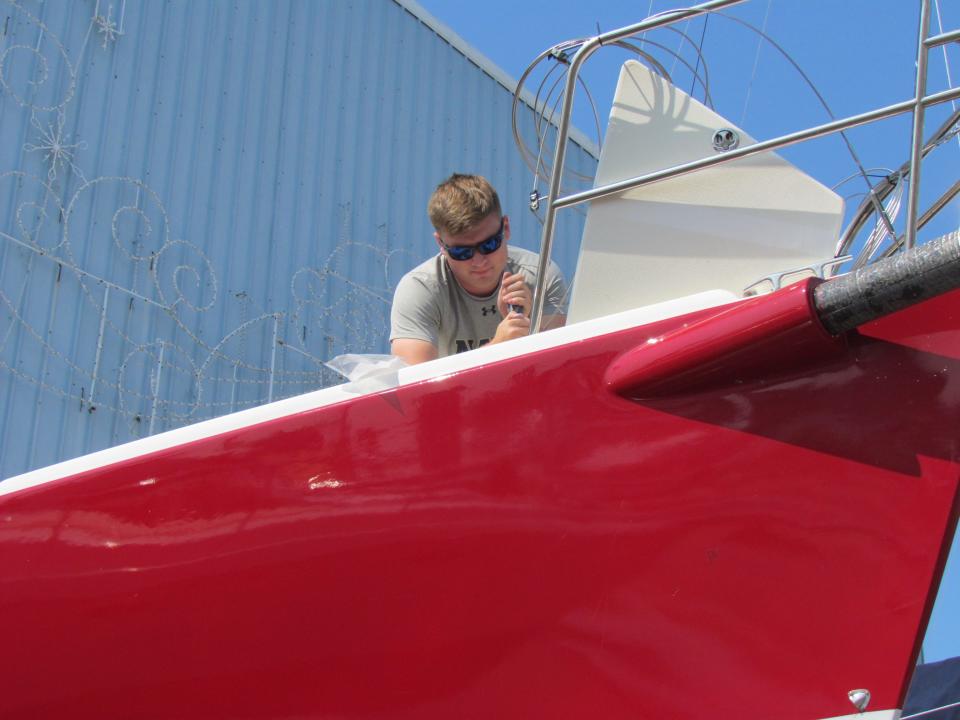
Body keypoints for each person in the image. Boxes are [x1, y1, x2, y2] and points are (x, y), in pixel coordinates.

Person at [390, 173, 567, 365]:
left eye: (489, 245)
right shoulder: (420, 289)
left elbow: (555, 369)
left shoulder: (541, 276)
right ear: (440, 243)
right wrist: (499, 346)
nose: (478, 261)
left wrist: (529, 328)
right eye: (462, 252)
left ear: (506, 228)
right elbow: (414, 386)